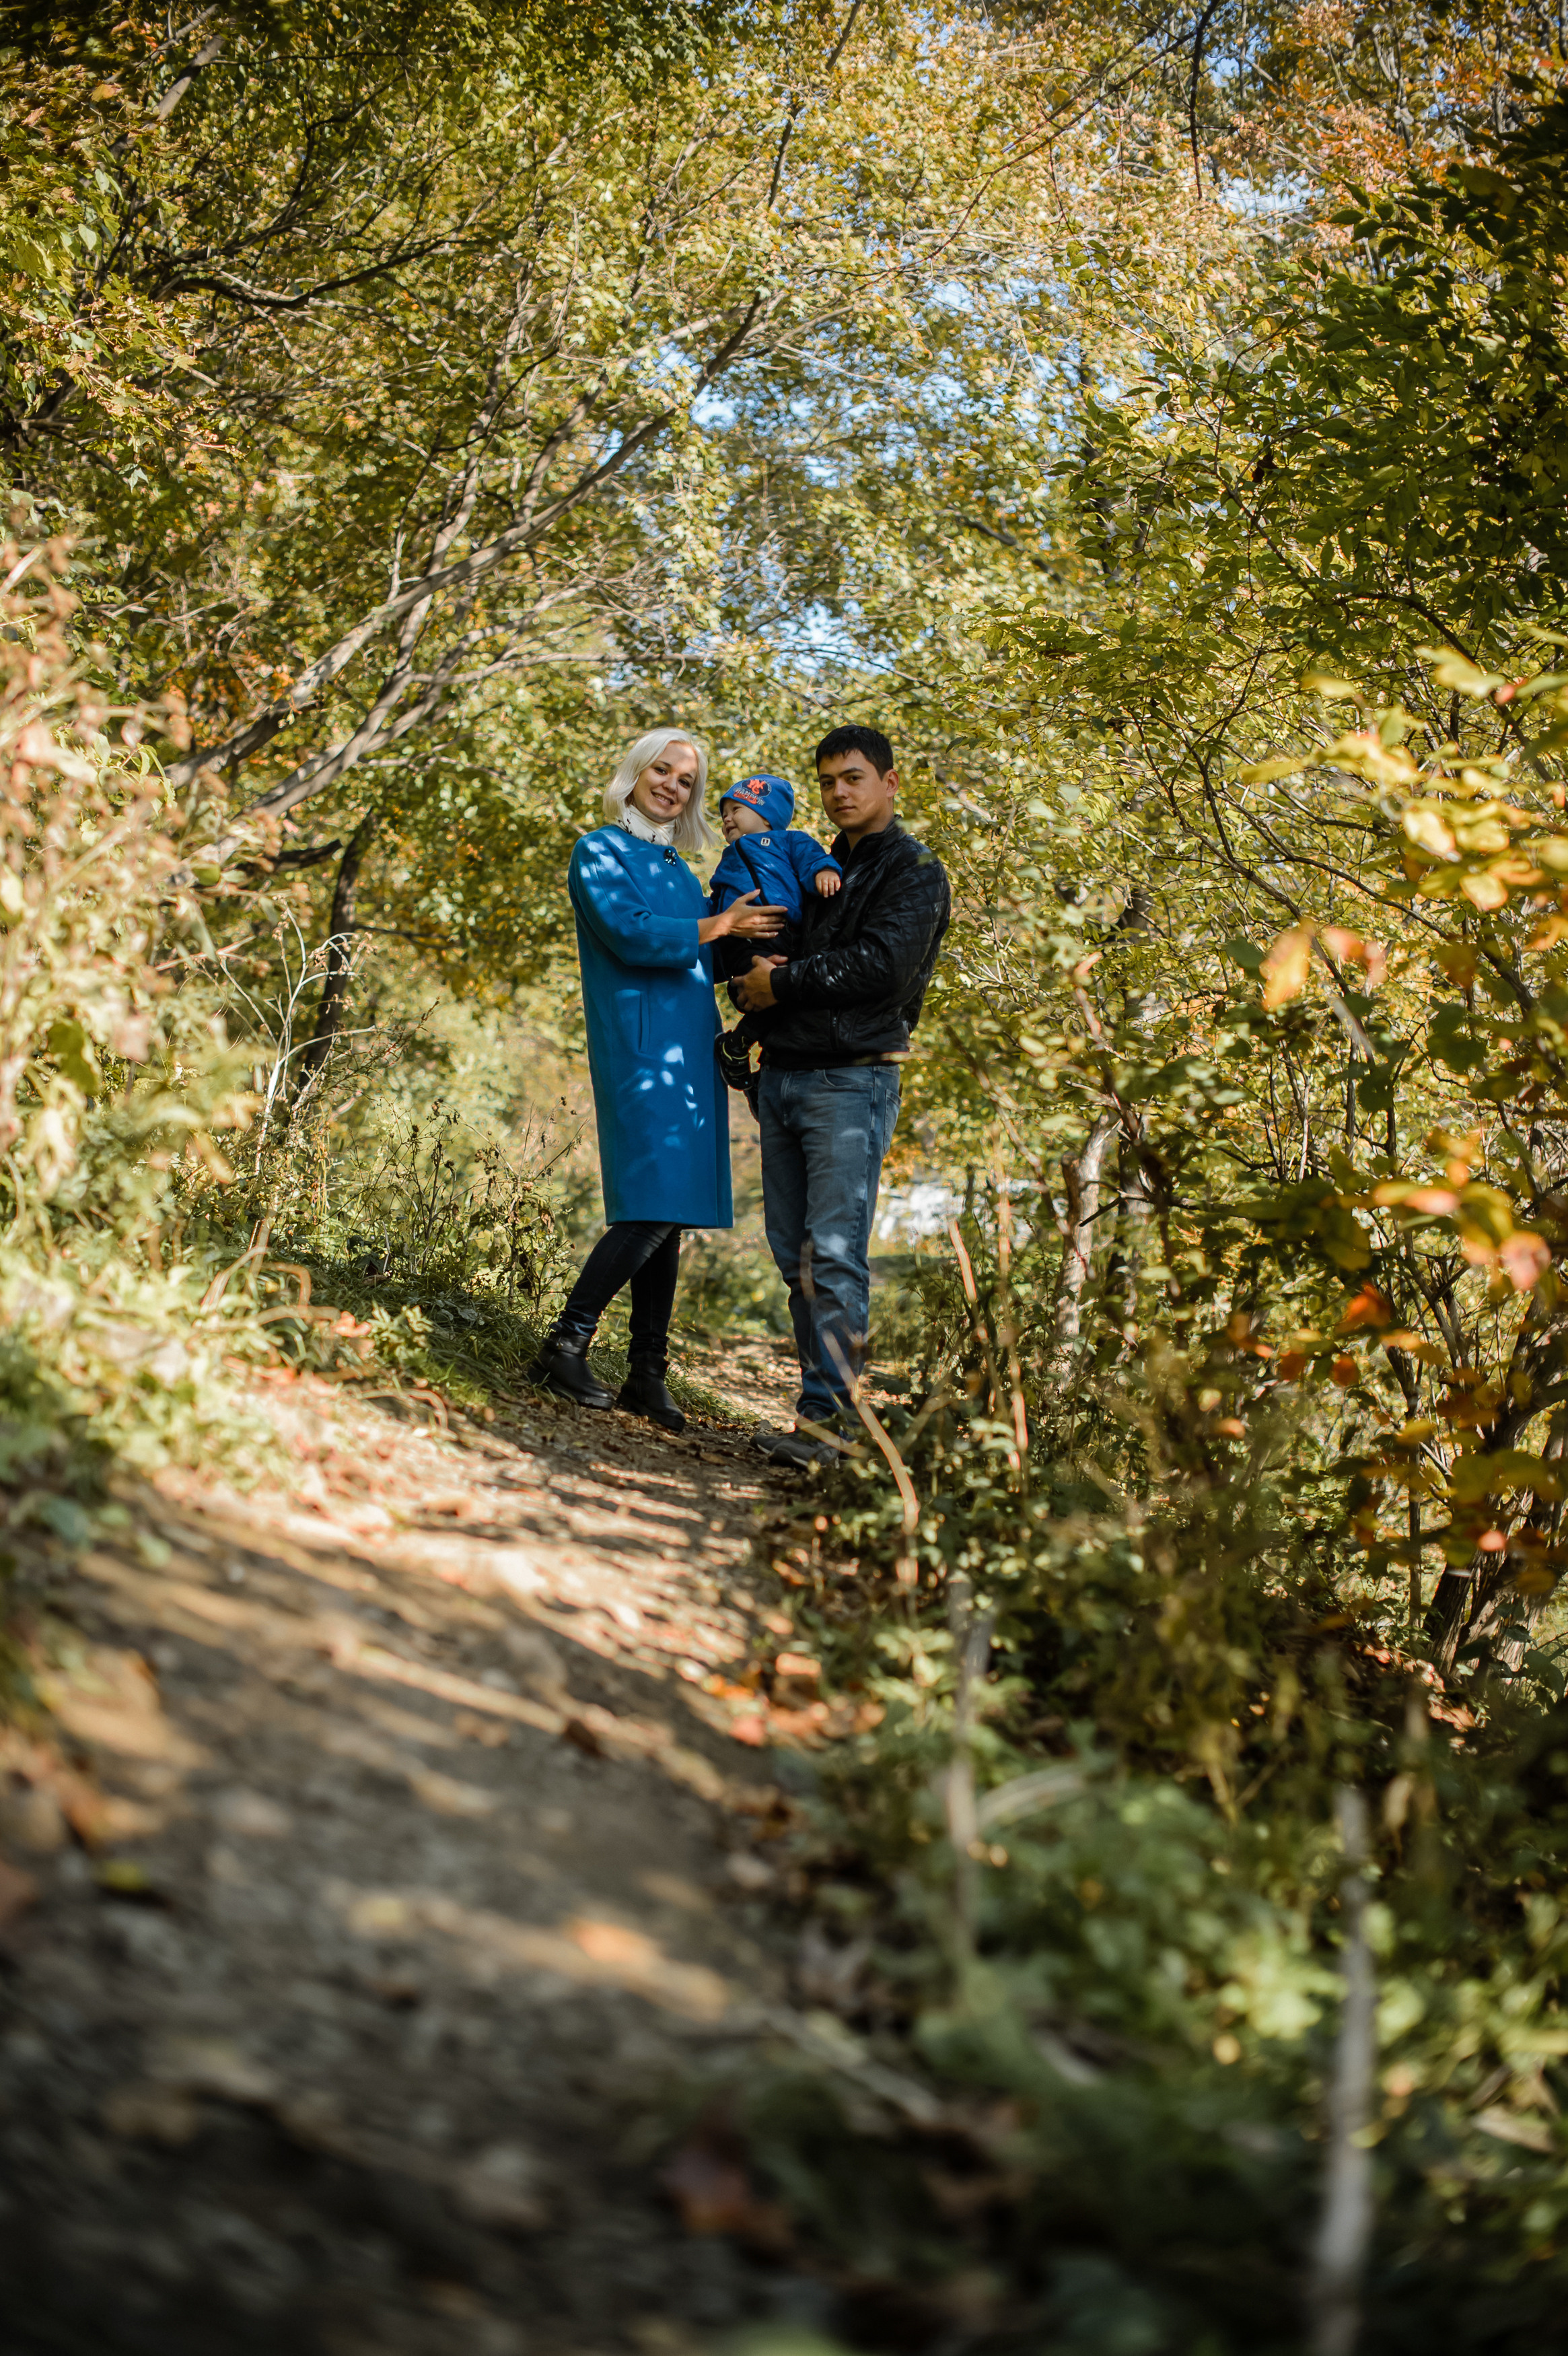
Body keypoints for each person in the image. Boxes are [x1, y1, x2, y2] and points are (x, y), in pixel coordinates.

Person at [529, 729, 784, 1432]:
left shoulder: (679, 868)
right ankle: (566, 1339)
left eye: (686, 779)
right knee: (653, 1200)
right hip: (639, 1045)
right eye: (662, 769)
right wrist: (718, 924)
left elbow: (712, 945)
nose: (672, 784)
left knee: (671, 1210)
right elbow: (631, 932)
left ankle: (647, 1370)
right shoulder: (599, 850)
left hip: (689, 1051)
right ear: (635, 773)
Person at [732, 724, 950, 1467]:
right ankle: (814, 1414)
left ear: (889, 781)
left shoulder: (914, 870)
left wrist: (779, 982)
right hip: (783, 1075)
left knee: (833, 1254)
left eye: (852, 778)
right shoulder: (813, 866)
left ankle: (829, 1430)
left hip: (851, 1082)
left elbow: (883, 967)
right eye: (826, 781)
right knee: (792, 1255)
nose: (838, 793)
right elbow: (776, 946)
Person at [707, 771, 841, 1095]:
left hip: (780, 932)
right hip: (738, 938)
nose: (727, 819)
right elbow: (717, 896)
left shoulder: (789, 840)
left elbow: (813, 860)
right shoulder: (728, 857)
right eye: (723, 815)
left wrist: (825, 872)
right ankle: (739, 1048)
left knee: (784, 994)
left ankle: (740, 1048)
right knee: (763, 991)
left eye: (735, 810)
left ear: (766, 817)